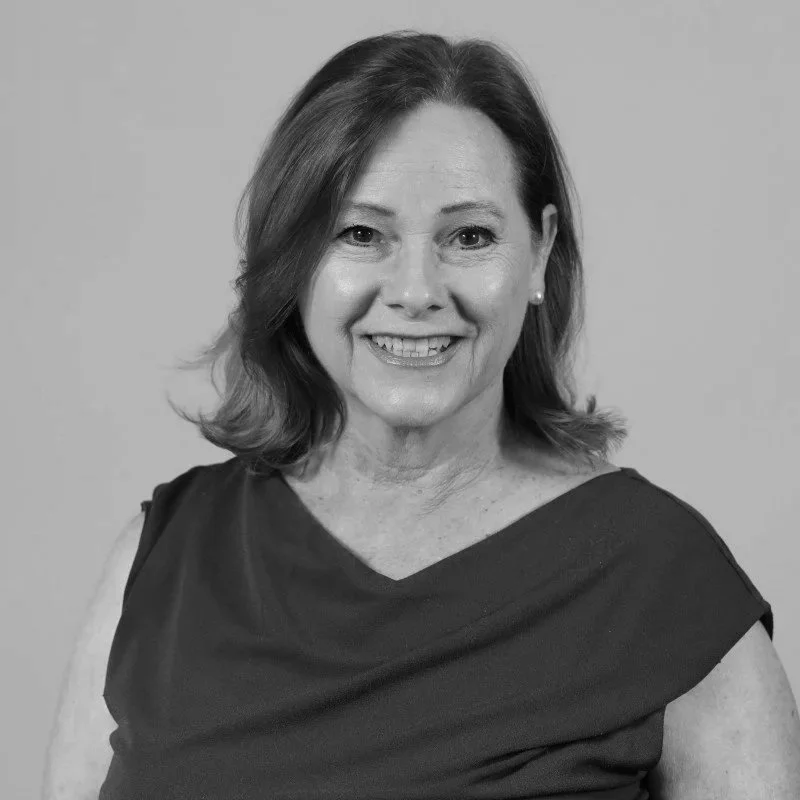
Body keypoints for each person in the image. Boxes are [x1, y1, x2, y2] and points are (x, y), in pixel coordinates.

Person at [43, 29, 800, 800]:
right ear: (294, 258)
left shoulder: (665, 585)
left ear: (539, 253)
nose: (416, 291)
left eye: (469, 236)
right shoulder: (161, 560)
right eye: (360, 233)